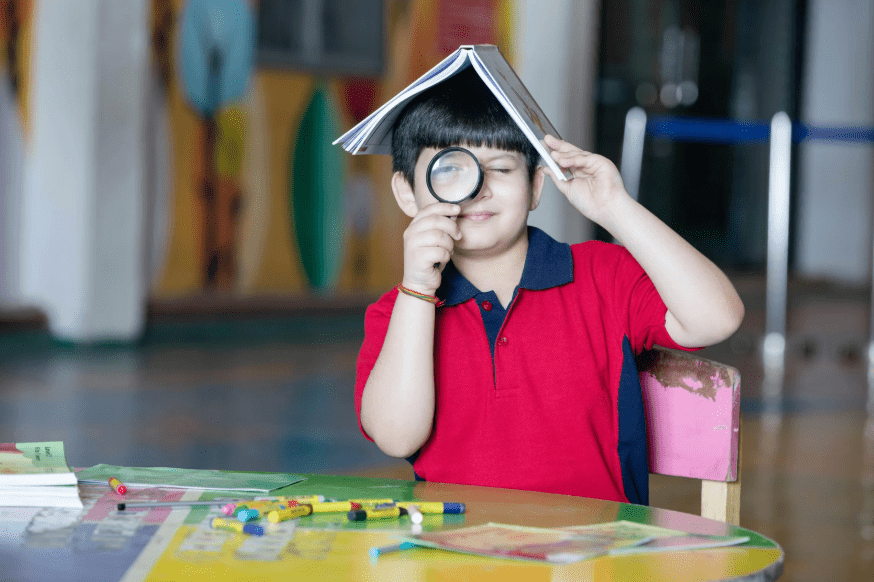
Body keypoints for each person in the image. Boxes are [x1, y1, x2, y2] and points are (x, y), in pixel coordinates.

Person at [353, 68, 744, 505]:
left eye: (501, 168)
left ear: (536, 186)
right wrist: (419, 290)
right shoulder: (400, 312)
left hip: (594, 558)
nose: (478, 190)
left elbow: (717, 318)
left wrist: (615, 209)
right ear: (408, 194)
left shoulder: (602, 276)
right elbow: (396, 437)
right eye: (452, 171)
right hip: (456, 556)